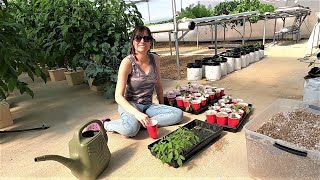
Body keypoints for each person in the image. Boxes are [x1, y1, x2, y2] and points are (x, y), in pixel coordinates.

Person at [88, 26, 183, 137]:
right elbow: (118, 96)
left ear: (150, 42)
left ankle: (142, 123)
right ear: (133, 41)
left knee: (178, 114)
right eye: (138, 38)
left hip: (148, 106)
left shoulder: (155, 59)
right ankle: (105, 124)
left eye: (146, 38)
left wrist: (162, 107)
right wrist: (137, 113)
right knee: (131, 130)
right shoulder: (127, 62)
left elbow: (158, 85)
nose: (142, 41)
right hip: (131, 104)